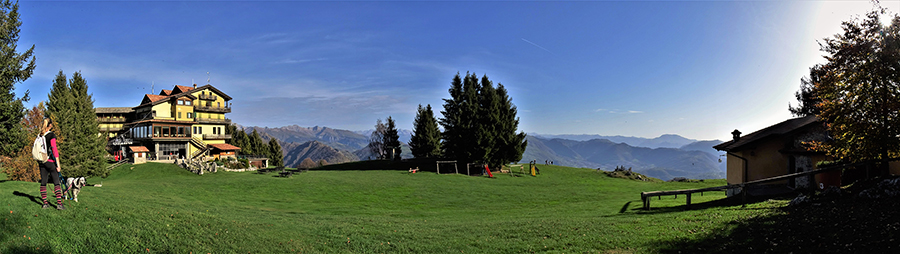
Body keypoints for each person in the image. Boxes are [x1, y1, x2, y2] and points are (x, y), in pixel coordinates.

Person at [38, 118, 65, 210]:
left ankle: (45, 203)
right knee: (56, 182)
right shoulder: (51, 135)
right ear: (50, 125)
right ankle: (59, 204)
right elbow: (54, 149)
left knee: (43, 182)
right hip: (50, 162)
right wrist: (58, 164)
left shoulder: (39, 135)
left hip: (41, 161)